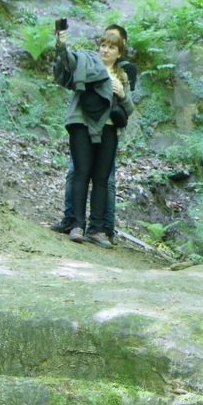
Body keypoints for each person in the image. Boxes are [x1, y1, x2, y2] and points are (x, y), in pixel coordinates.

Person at [51, 25, 137, 244]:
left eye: (111, 47)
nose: (105, 50)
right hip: (82, 124)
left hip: (108, 129)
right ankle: (77, 225)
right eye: (103, 45)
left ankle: (96, 229)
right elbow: (67, 61)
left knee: (101, 179)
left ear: (119, 52)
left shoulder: (123, 76)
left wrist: (121, 93)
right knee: (81, 172)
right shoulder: (86, 62)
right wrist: (61, 44)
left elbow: (129, 109)